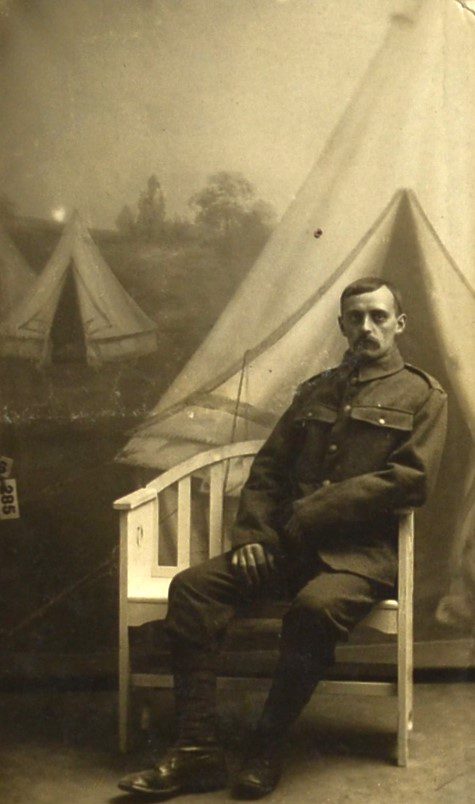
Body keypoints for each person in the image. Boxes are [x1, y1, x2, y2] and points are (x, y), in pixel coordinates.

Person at [119, 277, 448, 800]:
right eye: (355, 317)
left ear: (399, 323)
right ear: (342, 324)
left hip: (358, 560)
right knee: (193, 587)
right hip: (286, 549)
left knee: (315, 610)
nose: (366, 327)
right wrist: (252, 533)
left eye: (378, 316)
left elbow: (411, 479)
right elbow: (270, 468)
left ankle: (265, 747)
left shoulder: (423, 396)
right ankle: (196, 751)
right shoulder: (316, 391)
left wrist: (314, 509)